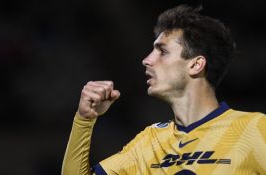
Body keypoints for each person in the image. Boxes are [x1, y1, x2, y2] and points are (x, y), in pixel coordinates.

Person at [61, 4, 266, 175]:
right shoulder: (149, 141)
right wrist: (84, 120)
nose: (147, 60)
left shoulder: (255, 128)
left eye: (162, 51)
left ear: (195, 65)